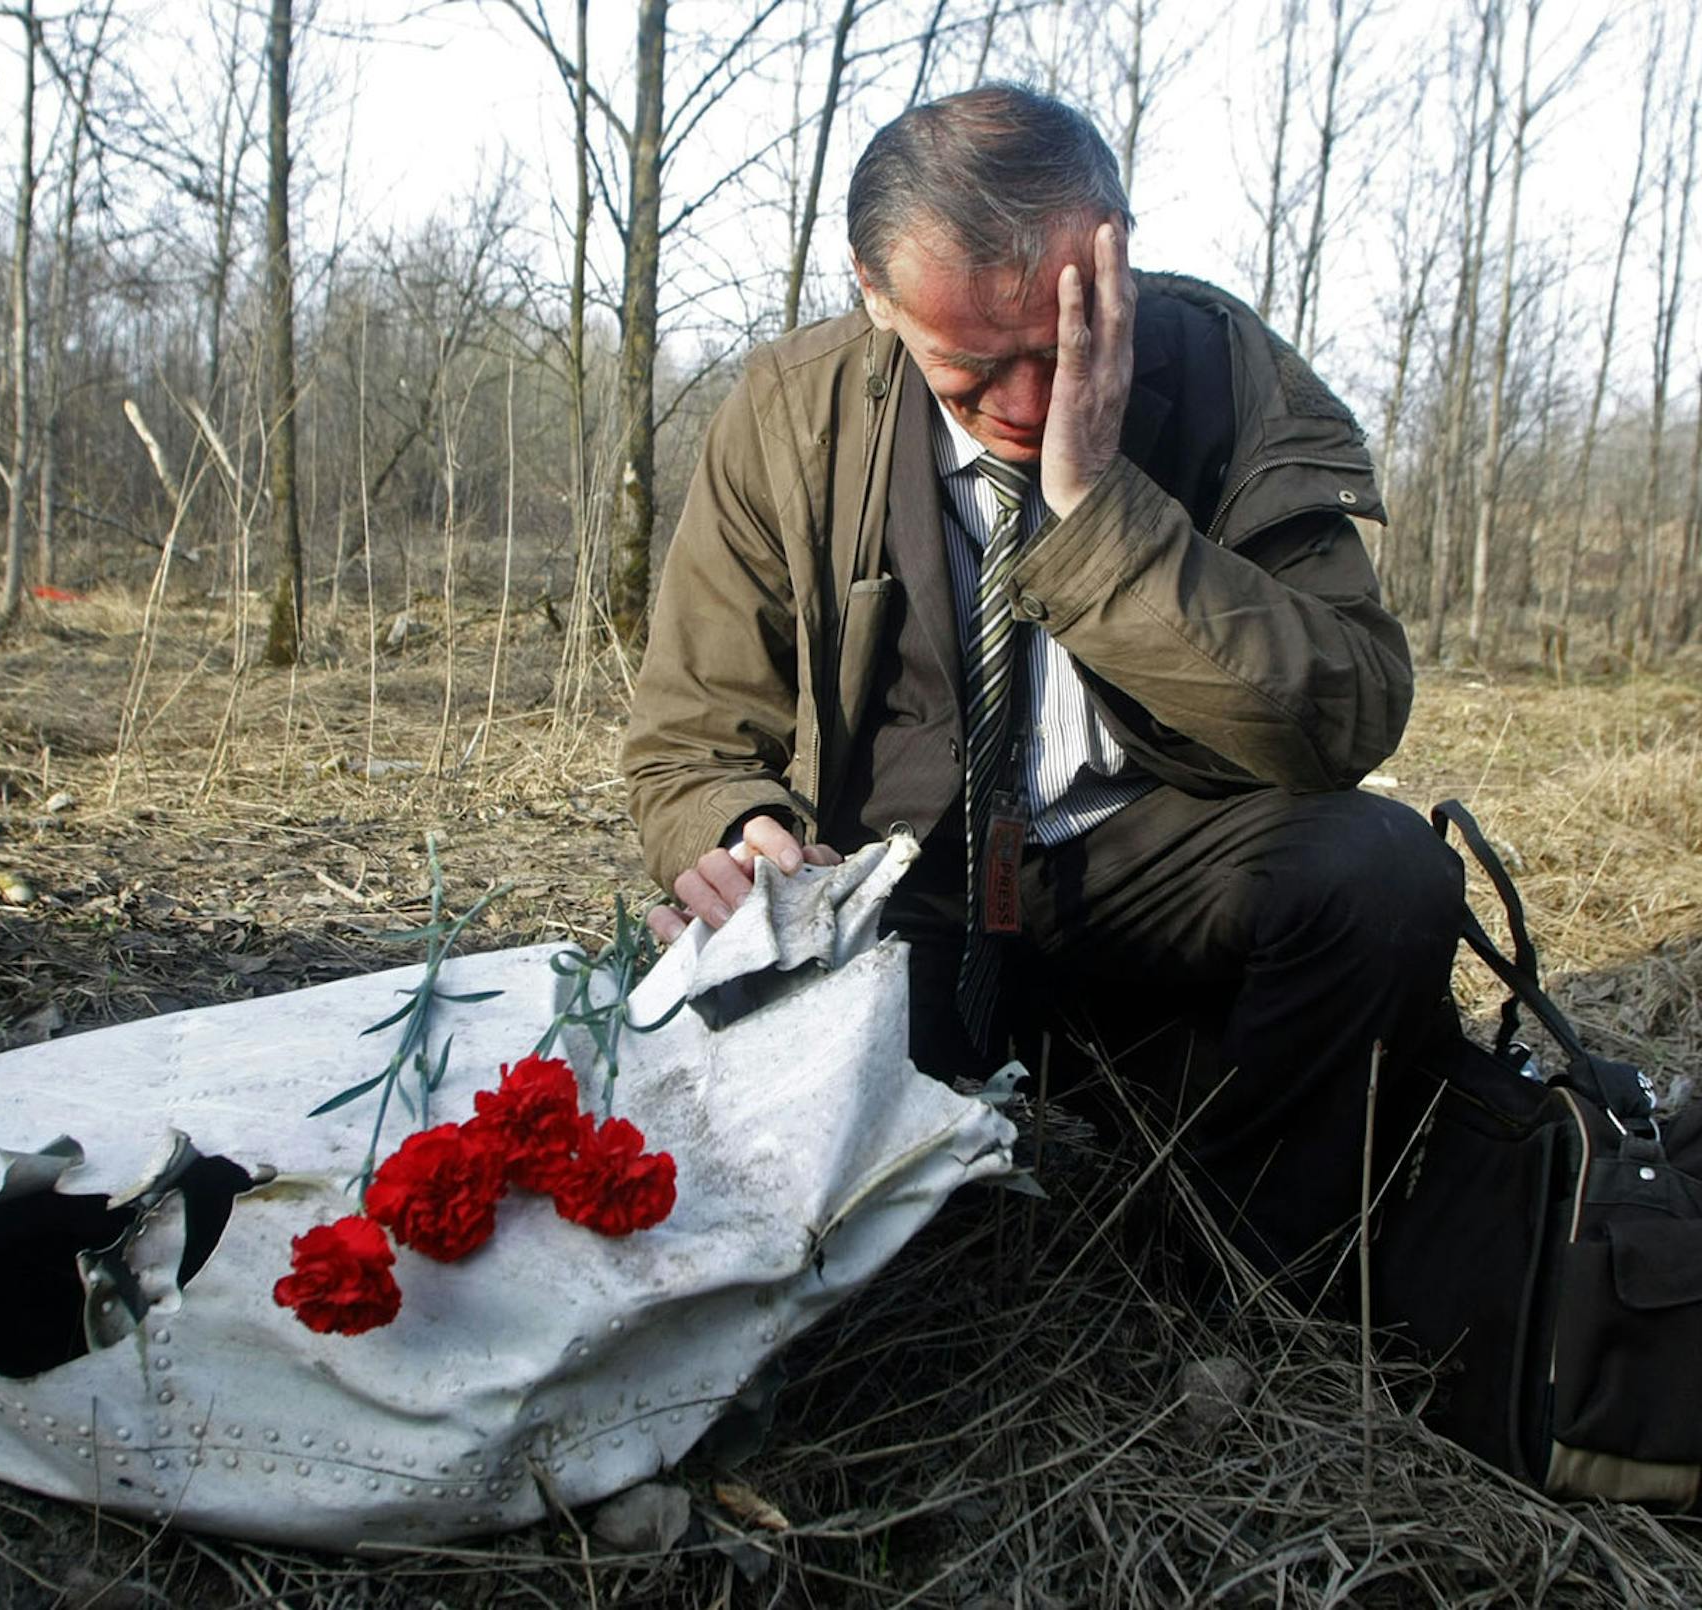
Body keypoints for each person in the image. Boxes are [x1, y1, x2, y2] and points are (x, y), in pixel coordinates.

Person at [622, 83, 1463, 1282]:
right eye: (972, 370)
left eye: (1062, 346)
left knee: (1383, 879)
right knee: (717, 1065)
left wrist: (1099, 512)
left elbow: (1348, 712)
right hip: (902, 879)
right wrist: (733, 828)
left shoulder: (1229, 376)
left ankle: (1236, 1271)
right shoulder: (787, 414)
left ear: (1117, 251)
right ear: (874, 292)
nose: (1026, 406)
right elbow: (689, 742)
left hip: (1151, 862)